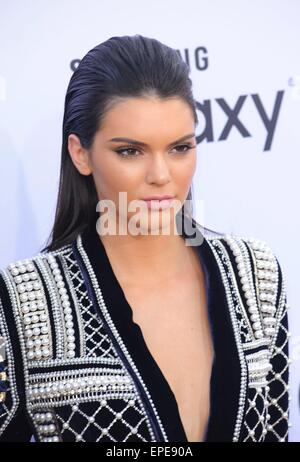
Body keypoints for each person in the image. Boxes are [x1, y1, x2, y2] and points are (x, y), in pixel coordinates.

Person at [0, 34, 290, 443]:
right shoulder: (24, 300)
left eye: (179, 147)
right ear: (81, 154)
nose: (160, 175)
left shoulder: (256, 275)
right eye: (130, 151)